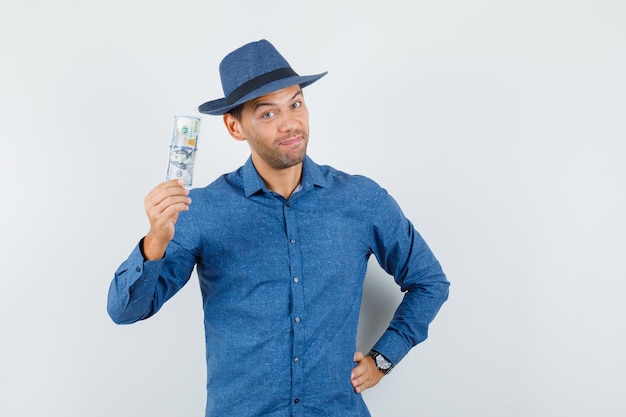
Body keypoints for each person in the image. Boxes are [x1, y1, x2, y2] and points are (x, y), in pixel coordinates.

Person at [107, 39, 449, 417]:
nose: (290, 123)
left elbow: (429, 282)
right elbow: (125, 311)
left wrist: (383, 359)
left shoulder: (361, 200)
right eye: (268, 114)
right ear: (235, 126)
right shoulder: (201, 209)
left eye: (296, 104)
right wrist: (155, 240)